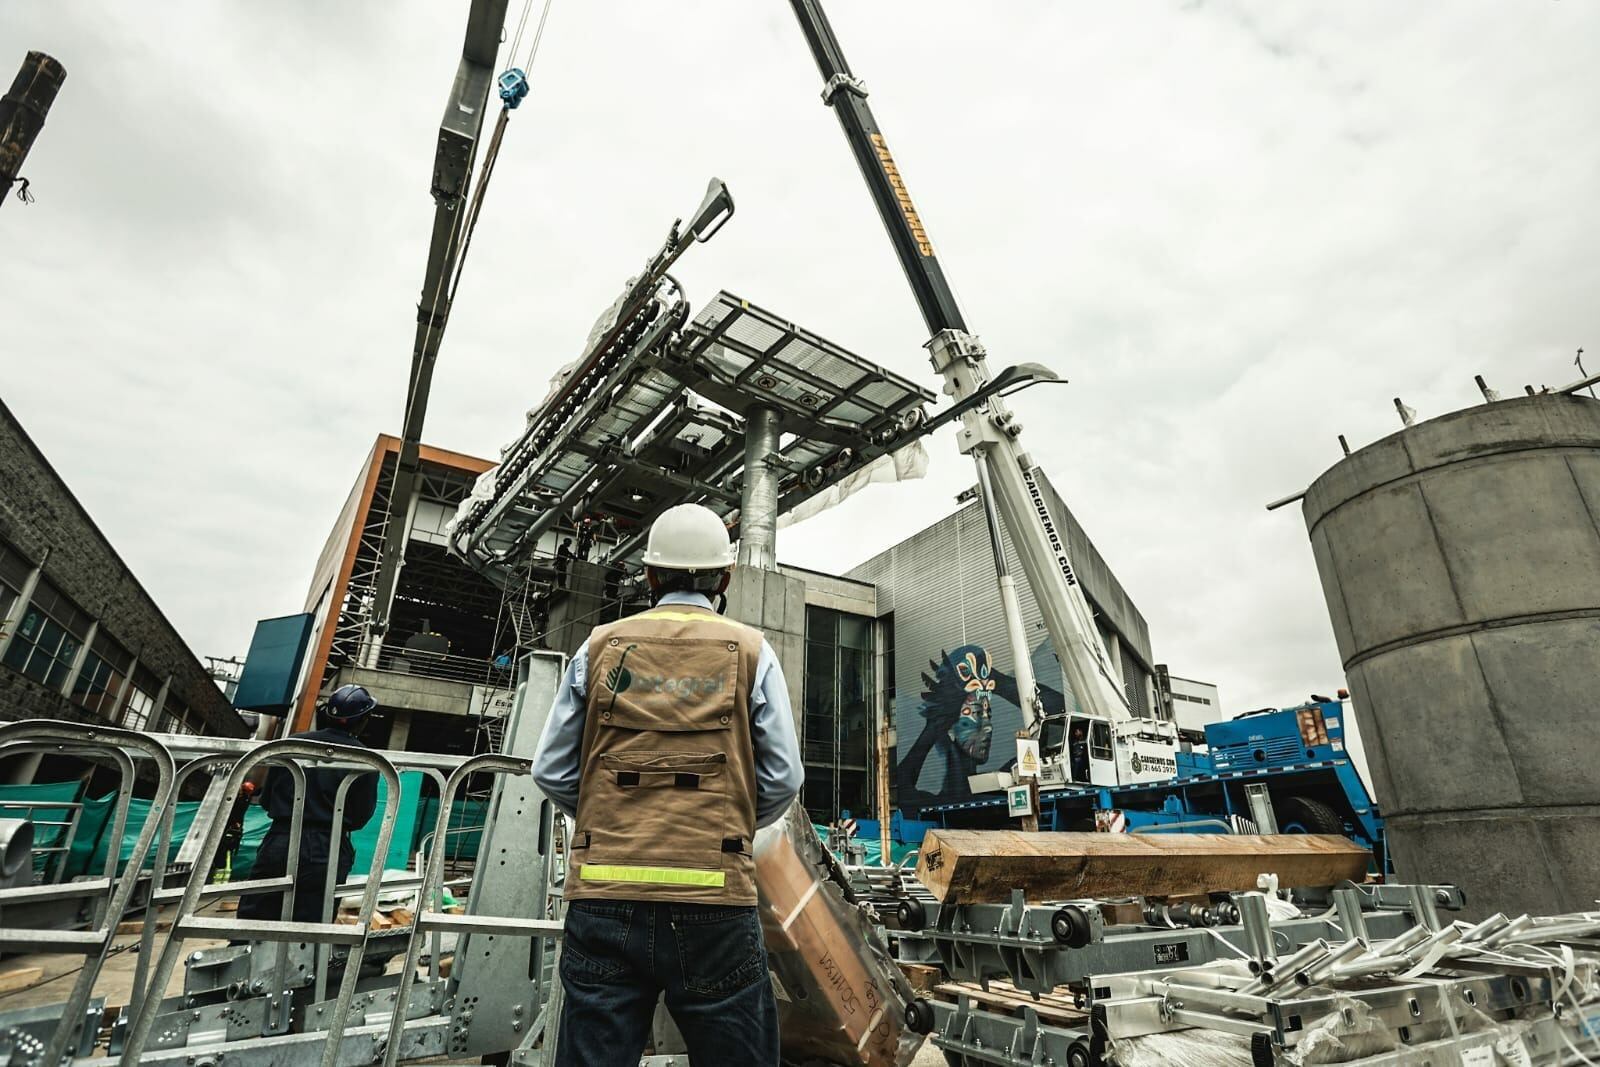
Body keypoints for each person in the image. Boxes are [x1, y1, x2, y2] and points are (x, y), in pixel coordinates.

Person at [532, 503, 804, 1067]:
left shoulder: (599, 646)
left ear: (651, 575)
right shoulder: (752, 650)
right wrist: (726, 826)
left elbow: (550, 770)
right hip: (713, 898)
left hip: (604, 895)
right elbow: (784, 778)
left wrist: (611, 823)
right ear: (723, 578)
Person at [238, 684, 379, 925]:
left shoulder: (292, 745)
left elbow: (268, 797)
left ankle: (244, 957)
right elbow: (359, 816)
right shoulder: (364, 759)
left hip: (281, 838)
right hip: (328, 846)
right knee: (311, 925)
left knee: (256, 916)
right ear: (363, 719)